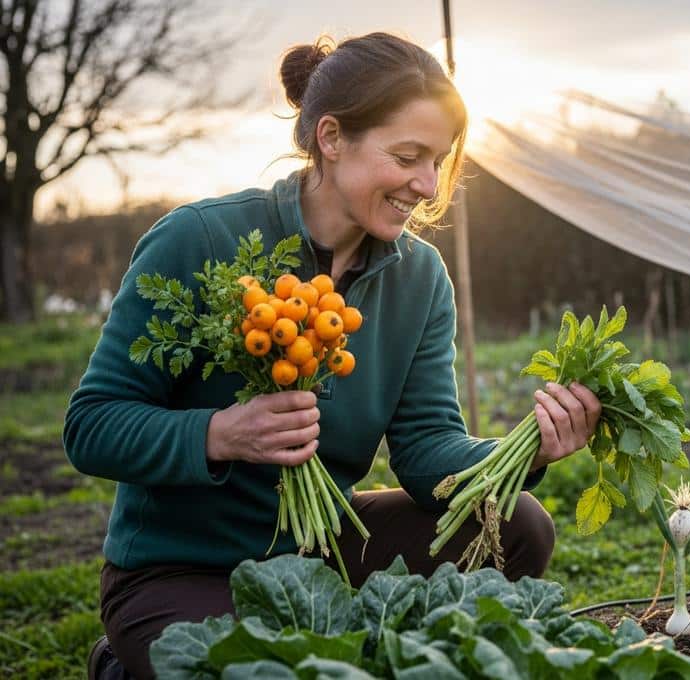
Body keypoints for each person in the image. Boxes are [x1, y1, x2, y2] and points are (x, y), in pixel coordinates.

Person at [65, 33, 601, 679]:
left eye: (438, 161)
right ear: (330, 137)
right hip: (181, 564)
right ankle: (122, 665)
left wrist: (524, 450)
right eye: (408, 157)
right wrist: (220, 433)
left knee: (519, 524)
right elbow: (91, 426)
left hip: (324, 545)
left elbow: (428, 452)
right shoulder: (201, 238)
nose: (428, 186)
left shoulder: (419, 278)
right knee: (251, 671)